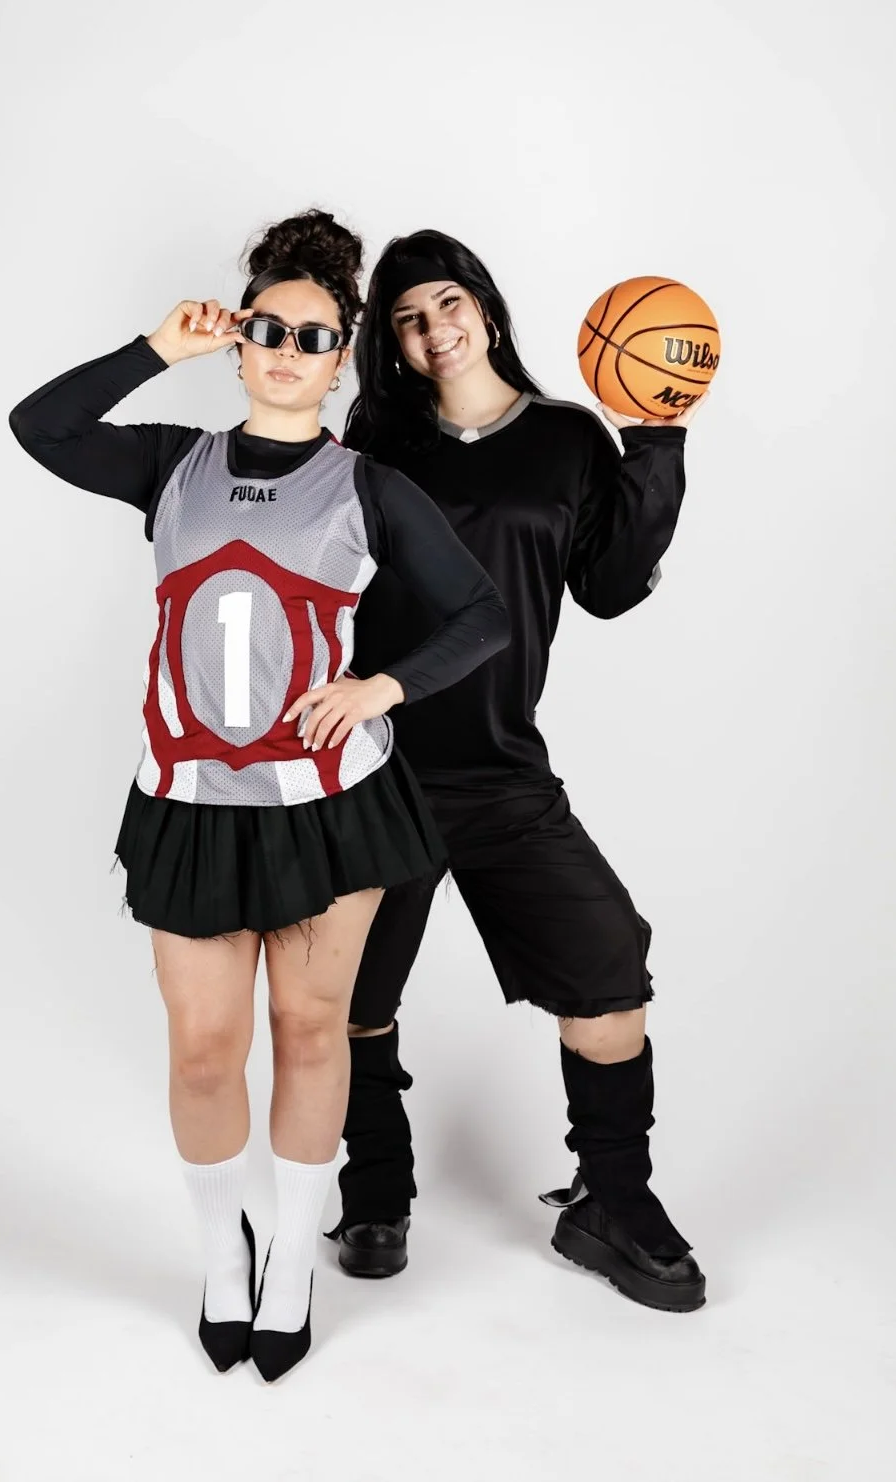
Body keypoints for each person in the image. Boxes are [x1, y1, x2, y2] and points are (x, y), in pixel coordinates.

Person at [8, 210, 510, 1380]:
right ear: (240, 345)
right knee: (202, 1052)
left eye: (315, 334)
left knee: (307, 1030)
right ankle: (218, 1255)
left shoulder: (367, 486)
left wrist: (381, 684)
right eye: (267, 329)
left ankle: (291, 1256)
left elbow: (478, 614)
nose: (288, 347)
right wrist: (152, 350)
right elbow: (39, 426)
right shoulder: (168, 466)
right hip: (188, 801)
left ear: (342, 360)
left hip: (328, 807)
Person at [332, 230, 707, 1312]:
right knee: (356, 997)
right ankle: (376, 1187)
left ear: (484, 307)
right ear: (389, 344)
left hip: (501, 772)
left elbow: (608, 586)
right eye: (405, 318)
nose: (432, 329)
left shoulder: (564, 439)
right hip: (375, 766)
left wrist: (659, 441)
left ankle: (614, 1199)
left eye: (446, 303)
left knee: (607, 971)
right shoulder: (373, 445)